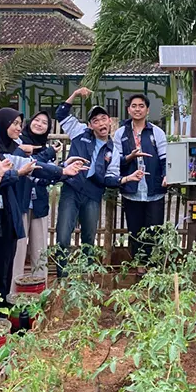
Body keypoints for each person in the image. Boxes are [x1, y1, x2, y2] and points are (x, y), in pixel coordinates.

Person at [0, 110, 81, 322]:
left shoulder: (1, 151)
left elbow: (32, 167)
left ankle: (1, 319)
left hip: (6, 215)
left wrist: (62, 172)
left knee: (4, 268)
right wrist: (16, 173)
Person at [54, 88, 119, 272]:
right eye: (95, 120)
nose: (100, 123)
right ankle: (62, 276)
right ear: (90, 125)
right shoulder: (80, 132)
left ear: (109, 121)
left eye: (103, 119)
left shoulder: (113, 150)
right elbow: (61, 113)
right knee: (63, 236)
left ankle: (87, 277)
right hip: (71, 189)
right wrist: (74, 95)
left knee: (89, 238)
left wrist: (124, 179)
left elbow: (111, 177)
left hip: (93, 194)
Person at [108, 94, 168, 266]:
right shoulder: (121, 133)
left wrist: (166, 176)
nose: (137, 109)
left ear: (147, 110)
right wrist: (129, 157)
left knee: (154, 231)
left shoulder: (156, 132)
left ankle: (154, 266)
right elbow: (116, 161)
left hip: (154, 191)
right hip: (132, 192)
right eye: (134, 106)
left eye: (141, 106)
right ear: (128, 109)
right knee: (135, 231)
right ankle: (139, 265)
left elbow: (165, 158)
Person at [10, 110, 55, 287]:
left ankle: (40, 293)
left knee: (40, 250)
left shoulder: (47, 149)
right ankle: (12, 293)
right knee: (18, 251)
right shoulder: (17, 144)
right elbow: (25, 165)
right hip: (20, 203)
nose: (40, 124)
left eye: (45, 123)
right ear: (30, 123)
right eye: (37, 120)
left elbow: (48, 176)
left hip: (39, 204)